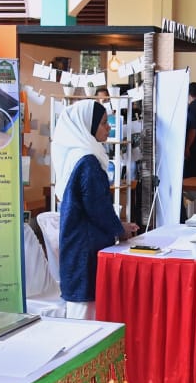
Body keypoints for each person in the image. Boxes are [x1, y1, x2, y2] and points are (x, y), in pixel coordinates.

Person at [52, 99, 138, 318]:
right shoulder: (88, 161)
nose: (108, 127)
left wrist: (118, 225)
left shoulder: (77, 155)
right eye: (103, 123)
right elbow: (97, 207)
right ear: (86, 126)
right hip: (85, 248)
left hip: (79, 242)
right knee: (85, 319)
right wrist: (120, 229)